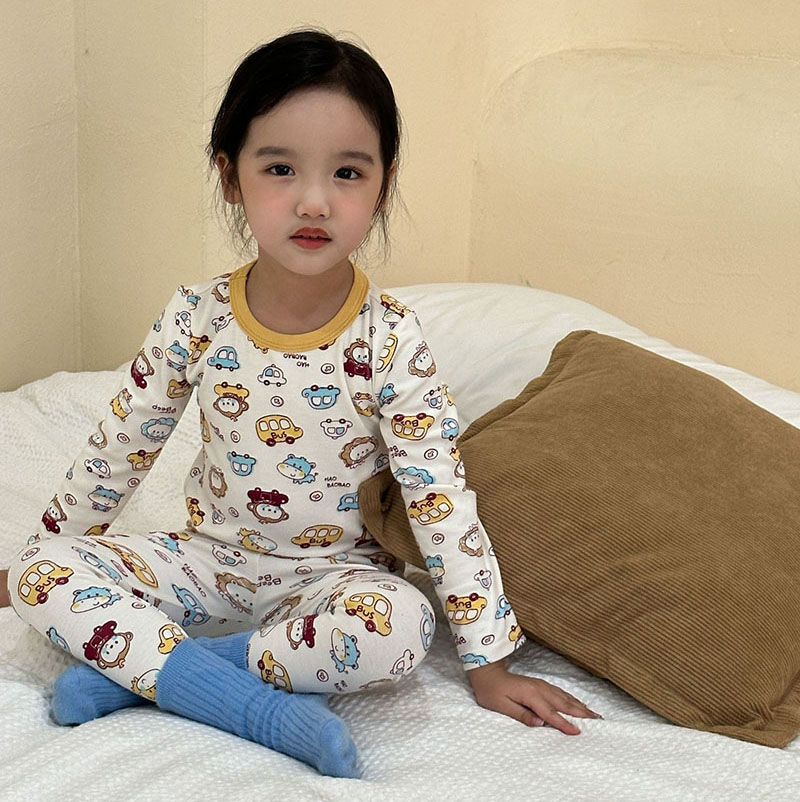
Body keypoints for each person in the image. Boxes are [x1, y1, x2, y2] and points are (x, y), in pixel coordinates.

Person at [3, 28, 600, 778]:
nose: (314, 201)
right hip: (209, 564)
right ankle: (243, 698)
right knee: (41, 574)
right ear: (231, 176)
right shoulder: (195, 316)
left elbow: (439, 498)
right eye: (280, 168)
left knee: (404, 626)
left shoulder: (391, 339)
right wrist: (36, 561)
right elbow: (119, 451)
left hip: (334, 583)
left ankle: (164, 676)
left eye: (347, 172)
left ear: (381, 185)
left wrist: (488, 661)